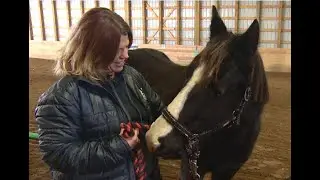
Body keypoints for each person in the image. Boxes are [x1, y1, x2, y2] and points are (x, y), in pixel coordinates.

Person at [34, 7, 164, 180]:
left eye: (127, 47)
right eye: (118, 50)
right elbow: (59, 155)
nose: (126, 55)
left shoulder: (132, 77)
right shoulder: (61, 97)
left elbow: (158, 110)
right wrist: (120, 145)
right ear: (94, 50)